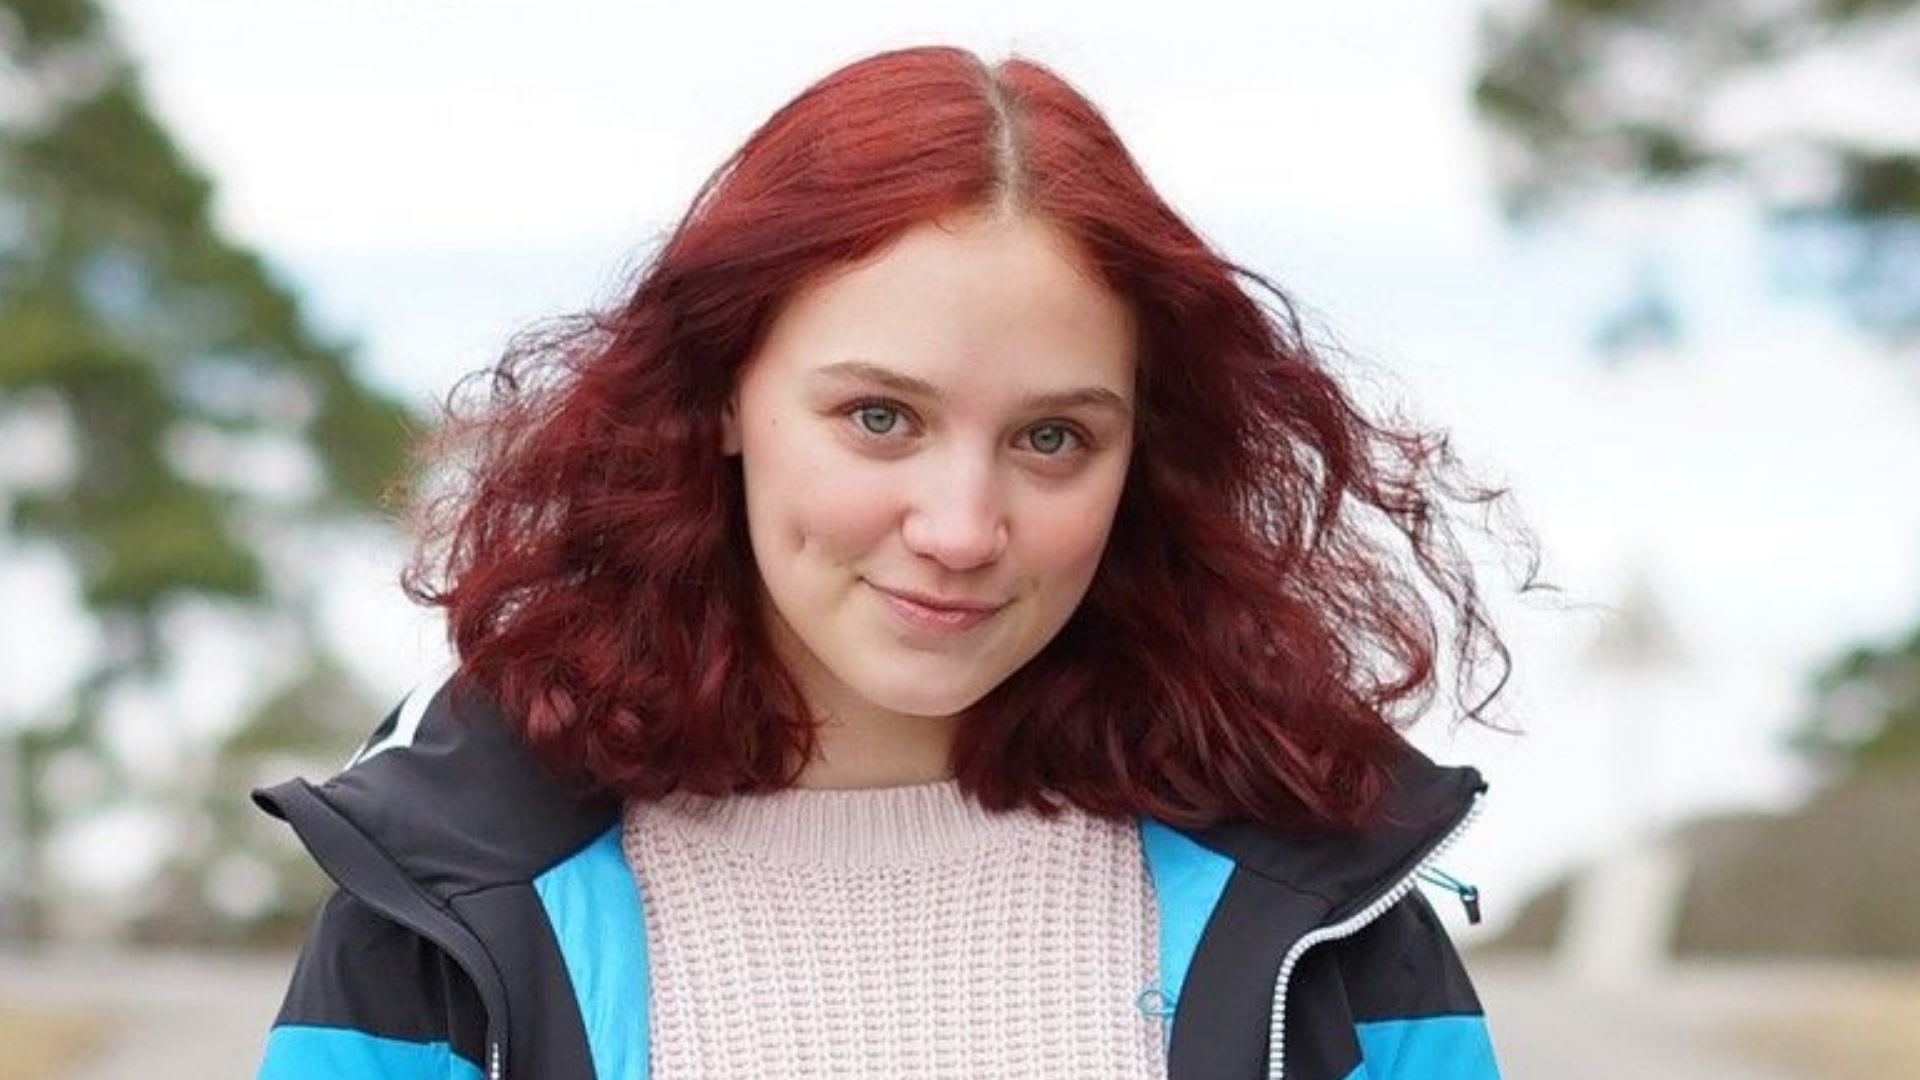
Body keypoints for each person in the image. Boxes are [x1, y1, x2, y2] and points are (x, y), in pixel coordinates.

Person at [253, 44, 1528, 1080]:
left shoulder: (1333, 918)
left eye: (1052, 438)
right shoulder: (445, 910)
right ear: (721, 396)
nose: (962, 529)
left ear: (1143, 457)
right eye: (880, 417)